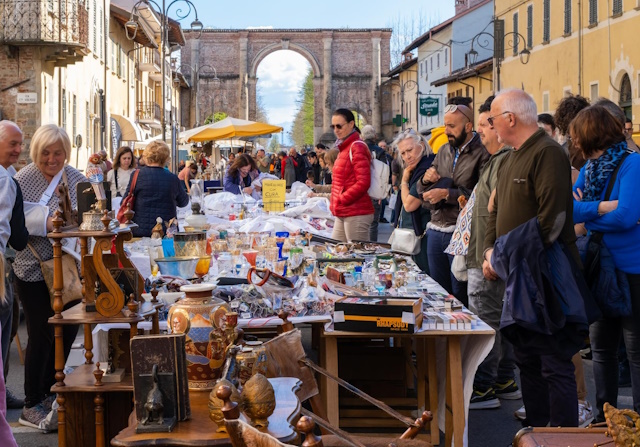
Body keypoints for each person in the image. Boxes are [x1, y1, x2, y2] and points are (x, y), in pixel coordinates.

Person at [483, 88, 581, 427]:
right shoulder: (511, 156)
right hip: (518, 274)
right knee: (527, 359)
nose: (491, 126)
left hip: (547, 275)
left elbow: (551, 221)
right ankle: (536, 431)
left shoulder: (548, 152)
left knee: (554, 361)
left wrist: (500, 254)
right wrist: (489, 251)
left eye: (493, 119)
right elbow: (496, 213)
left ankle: (562, 436)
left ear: (510, 118)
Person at [570, 105, 640, 422]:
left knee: (635, 352)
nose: (572, 142)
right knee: (601, 349)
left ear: (589, 135)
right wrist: (603, 208)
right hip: (600, 268)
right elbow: (569, 211)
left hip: (631, 270)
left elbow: (626, 216)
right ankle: (604, 417)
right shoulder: (589, 168)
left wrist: (590, 213)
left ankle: (637, 421)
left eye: (575, 136)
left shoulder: (632, 164)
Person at [13, 124, 85, 430]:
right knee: (42, 331)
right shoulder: (20, 179)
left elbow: (88, 220)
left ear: (66, 153)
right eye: (45, 152)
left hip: (68, 269)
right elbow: (13, 224)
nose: (52, 159)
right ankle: (33, 401)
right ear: (36, 152)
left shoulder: (77, 180)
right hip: (30, 266)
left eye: (58, 152)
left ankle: (52, 389)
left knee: (69, 329)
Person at [462, 97, 520, 410]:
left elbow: (504, 211)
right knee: (497, 319)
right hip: (487, 254)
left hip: (488, 258)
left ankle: (484, 387)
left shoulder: (505, 159)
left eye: (486, 124)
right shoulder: (496, 160)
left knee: (486, 323)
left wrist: (490, 253)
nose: (481, 131)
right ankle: (503, 380)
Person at [416, 103, 489, 306]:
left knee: (460, 292)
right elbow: (422, 192)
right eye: (445, 125)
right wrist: (425, 180)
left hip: (461, 232)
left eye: (452, 126)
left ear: (468, 126)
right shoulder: (444, 151)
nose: (447, 130)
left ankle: (462, 336)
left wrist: (447, 194)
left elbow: (480, 194)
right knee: (439, 294)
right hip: (435, 230)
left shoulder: (482, 152)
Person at [0, 121, 29, 412]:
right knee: (3, 332)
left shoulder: (9, 175)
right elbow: (9, 232)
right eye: (13, 144)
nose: (18, 150)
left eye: (20, 144)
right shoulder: (5, 180)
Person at [125, 141, 189, 237]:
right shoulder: (172, 178)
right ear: (166, 158)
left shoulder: (137, 175)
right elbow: (183, 202)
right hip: (166, 232)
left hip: (140, 230)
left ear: (146, 156)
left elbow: (126, 202)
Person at [391, 129, 434, 272]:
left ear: (421, 145)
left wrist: (403, 181)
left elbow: (409, 205)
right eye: (403, 153)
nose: (407, 156)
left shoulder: (426, 168)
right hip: (416, 235)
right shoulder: (416, 168)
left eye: (410, 150)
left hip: (423, 236)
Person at [329, 108, 374, 242]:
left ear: (351, 124)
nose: (336, 130)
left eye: (339, 126)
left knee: (357, 257)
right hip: (343, 211)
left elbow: (363, 182)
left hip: (356, 212)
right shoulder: (344, 148)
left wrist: (342, 199)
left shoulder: (356, 147)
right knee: (337, 253)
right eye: (333, 126)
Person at [362, 124, 391, 241]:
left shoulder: (358, 149)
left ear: (362, 137)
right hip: (374, 190)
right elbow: (385, 173)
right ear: (374, 136)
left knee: (360, 222)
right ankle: (371, 248)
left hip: (360, 191)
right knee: (373, 223)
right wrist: (382, 192)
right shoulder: (380, 152)